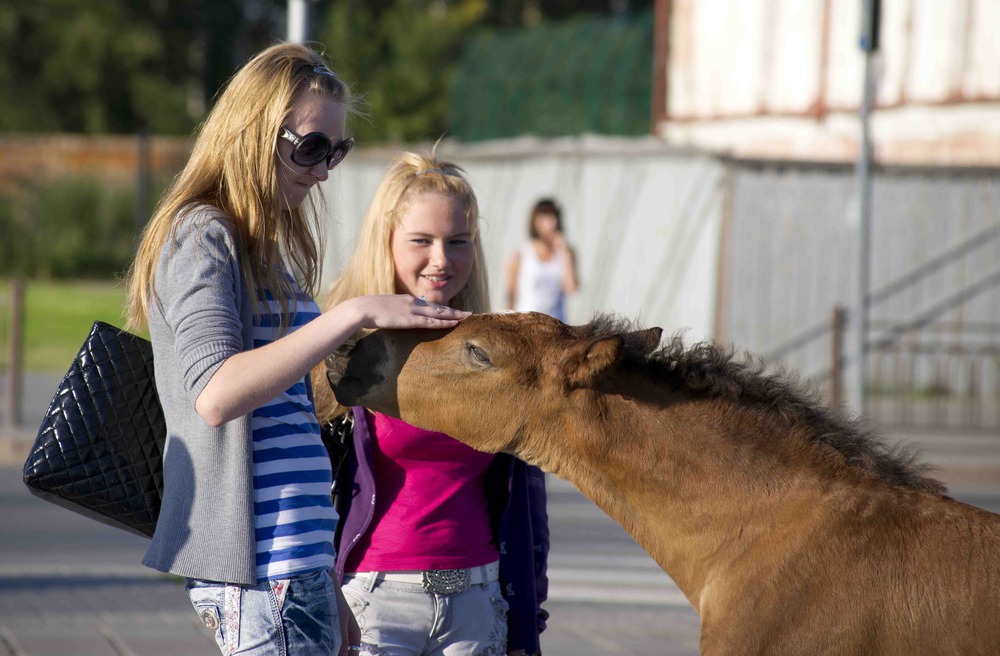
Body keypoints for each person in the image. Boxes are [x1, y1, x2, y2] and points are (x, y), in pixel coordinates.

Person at [124, 43, 468, 656]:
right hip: (262, 577)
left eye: (337, 151)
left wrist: (328, 586)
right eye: (311, 147)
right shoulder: (202, 233)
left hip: (296, 570)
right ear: (255, 133)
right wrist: (353, 314)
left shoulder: (263, 246)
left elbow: (286, 428)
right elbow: (216, 392)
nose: (323, 169)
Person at [312, 152, 549, 656]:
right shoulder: (341, 344)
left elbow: (529, 503)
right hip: (372, 603)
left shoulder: (497, 353)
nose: (441, 259)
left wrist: (529, 607)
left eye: (458, 242)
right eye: (421, 241)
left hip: (478, 598)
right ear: (387, 241)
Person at [505, 198, 578, 321]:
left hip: (557, 324)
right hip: (526, 324)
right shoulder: (521, 254)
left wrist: (564, 252)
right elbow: (511, 294)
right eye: (546, 218)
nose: (551, 223)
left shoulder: (566, 253)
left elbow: (571, 288)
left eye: (554, 218)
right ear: (535, 221)